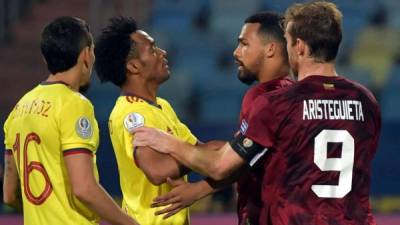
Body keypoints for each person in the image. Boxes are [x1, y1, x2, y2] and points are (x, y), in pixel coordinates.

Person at [133, 1, 381, 225]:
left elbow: (221, 166)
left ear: (300, 46)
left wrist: (165, 141)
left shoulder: (276, 104)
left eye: (287, 40)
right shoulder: (367, 101)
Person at [149, 12, 292, 225]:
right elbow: (247, 160)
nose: (236, 53)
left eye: (244, 44)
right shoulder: (293, 95)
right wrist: (198, 189)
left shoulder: (265, 100)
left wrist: (166, 142)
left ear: (270, 49)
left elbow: (223, 165)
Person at [3, 17, 138, 225]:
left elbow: (9, 195)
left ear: (46, 59)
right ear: (86, 54)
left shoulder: (18, 109)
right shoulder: (74, 105)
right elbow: (84, 189)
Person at [94, 16, 223, 225]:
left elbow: (201, 148)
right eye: (153, 49)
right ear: (134, 66)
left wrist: (239, 149)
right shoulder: (131, 114)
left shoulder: (161, 106)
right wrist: (196, 157)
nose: (163, 53)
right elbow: (157, 170)